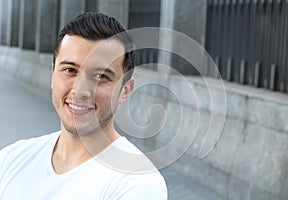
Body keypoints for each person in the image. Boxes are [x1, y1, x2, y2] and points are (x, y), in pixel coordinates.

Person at [0, 12, 167, 199]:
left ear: (125, 90)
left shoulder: (138, 183)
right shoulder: (11, 159)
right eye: (70, 70)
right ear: (53, 74)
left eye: (101, 76)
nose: (80, 91)